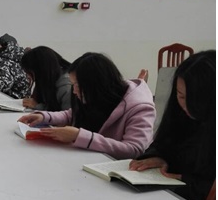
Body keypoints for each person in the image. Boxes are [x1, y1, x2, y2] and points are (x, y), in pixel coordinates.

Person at [18, 52, 155, 159]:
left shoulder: (140, 107)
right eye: (73, 85)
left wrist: (79, 136)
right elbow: (72, 114)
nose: (74, 91)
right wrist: (44, 117)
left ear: (96, 84)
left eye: (77, 85)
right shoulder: (98, 96)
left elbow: (134, 150)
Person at [129, 50, 215, 200]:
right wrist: (157, 157)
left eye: (194, 98)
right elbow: (162, 143)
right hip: (167, 199)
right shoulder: (179, 113)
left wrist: (185, 180)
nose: (185, 105)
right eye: (180, 95)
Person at [20, 46, 72, 111]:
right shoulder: (49, 79)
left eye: (29, 72)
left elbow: (68, 115)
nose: (27, 76)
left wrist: (37, 106)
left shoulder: (67, 87)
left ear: (40, 70)